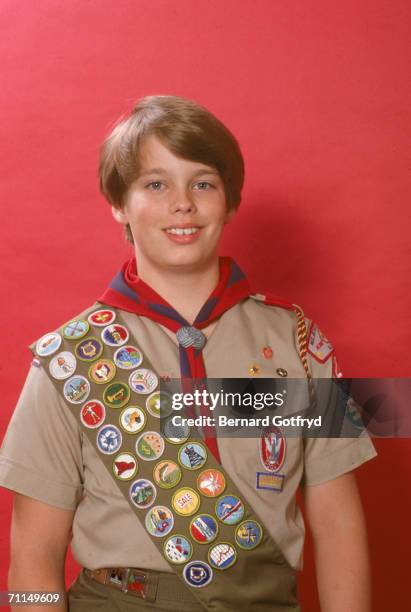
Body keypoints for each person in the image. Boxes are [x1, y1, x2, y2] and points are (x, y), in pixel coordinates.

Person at [0, 95, 377, 612]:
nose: (183, 203)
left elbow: (338, 527)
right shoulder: (68, 358)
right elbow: (31, 556)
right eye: (156, 184)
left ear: (230, 201)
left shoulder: (299, 345)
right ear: (119, 203)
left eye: (202, 183)